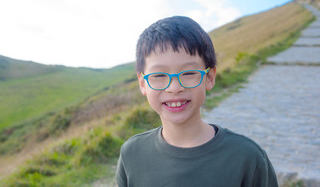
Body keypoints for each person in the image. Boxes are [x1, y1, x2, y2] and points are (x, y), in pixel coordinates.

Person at [115, 16, 278, 187]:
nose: (174, 87)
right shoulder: (131, 153)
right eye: (159, 75)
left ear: (209, 77)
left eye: (188, 73)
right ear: (143, 83)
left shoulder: (248, 158)